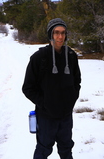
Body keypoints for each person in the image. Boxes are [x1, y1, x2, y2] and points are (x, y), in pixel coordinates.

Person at [22, 18, 82, 159]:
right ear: (50, 34)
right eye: (56, 33)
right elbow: (28, 87)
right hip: (46, 117)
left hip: (66, 116)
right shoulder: (39, 57)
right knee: (43, 150)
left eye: (63, 33)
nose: (60, 37)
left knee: (66, 149)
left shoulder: (71, 56)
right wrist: (45, 104)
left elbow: (77, 81)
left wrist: (71, 100)